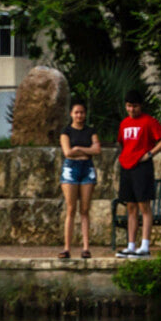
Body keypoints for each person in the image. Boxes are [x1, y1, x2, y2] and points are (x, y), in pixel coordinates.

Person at [114, 90, 161, 258]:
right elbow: (121, 143)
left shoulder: (149, 121)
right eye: (129, 106)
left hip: (142, 167)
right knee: (130, 206)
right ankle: (131, 245)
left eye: (135, 106)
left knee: (143, 205)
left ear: (141, 106)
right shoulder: (124, 123)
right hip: (127, 166)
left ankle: (145, 245)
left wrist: (151, 153)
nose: (132, 110)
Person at [58, 98, 101, 259]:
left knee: (84, 209)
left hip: (87, 169)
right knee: (71, 208)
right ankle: (67, 248)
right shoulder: (66, 131)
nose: (79, 115)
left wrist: (79, 149)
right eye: (76, 112)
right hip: (71, 169)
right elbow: (67, 152)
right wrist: (86, 150)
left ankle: (86, 247)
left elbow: (97, 150)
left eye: (82, 112)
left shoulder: (91, 131)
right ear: (71, 114)